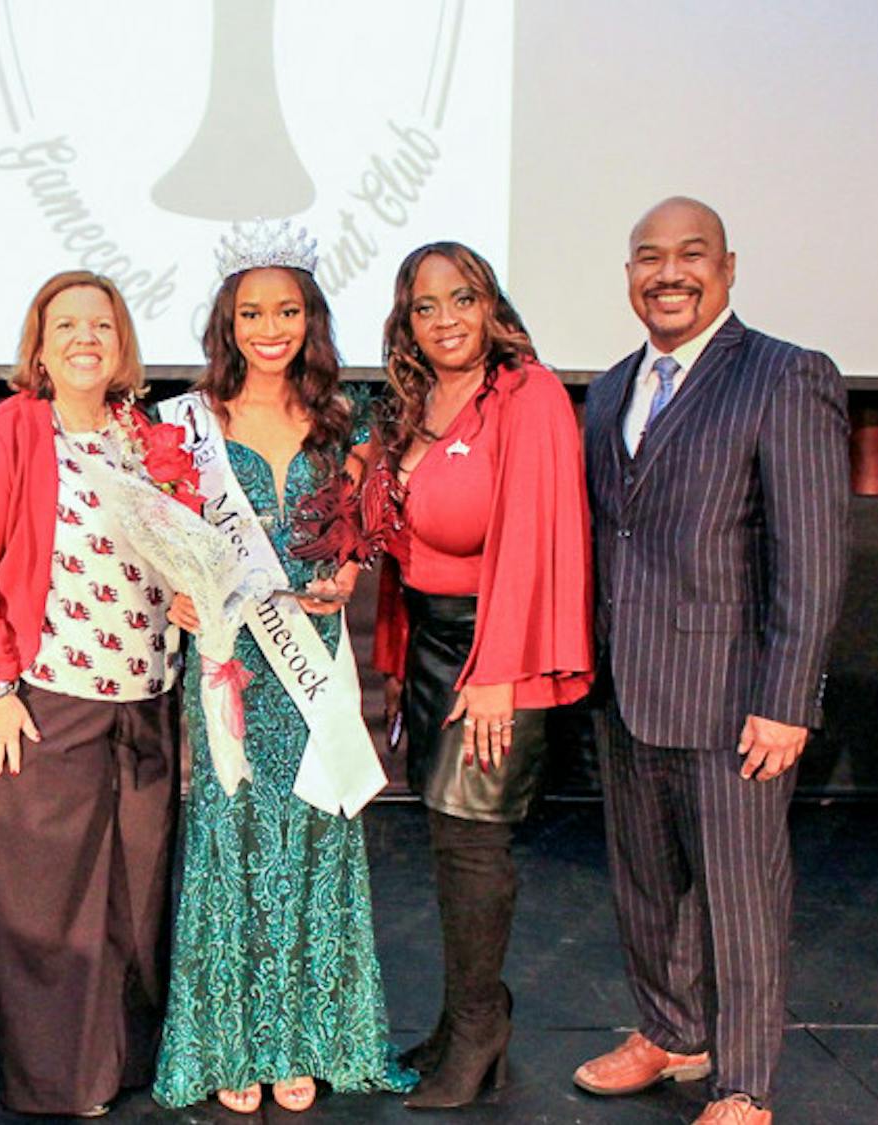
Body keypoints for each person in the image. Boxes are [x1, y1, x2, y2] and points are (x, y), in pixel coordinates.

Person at [575, 198, 849, 1125]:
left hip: (735, 696)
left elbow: (812, 558)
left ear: (728, 266)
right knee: (647, 887)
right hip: (628, 691)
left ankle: (743, 1082)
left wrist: (787, 700)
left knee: (740, 900)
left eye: (690, 255)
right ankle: (670, 1032)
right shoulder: (612, 387)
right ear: (627, 277)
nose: (668, 273)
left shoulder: (784, 374)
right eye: (648, 257)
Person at [152, 221, 411, 1115]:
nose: (271, 327)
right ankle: (231, 1038)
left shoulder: (349, 418)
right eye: (253, 311)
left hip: (312, 657)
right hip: (230, 660)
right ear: (227, 320)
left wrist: (346, 572)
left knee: (311, 828)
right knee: (231, 836)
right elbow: (160, 543)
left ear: (312, 317)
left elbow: (372, 518)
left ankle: (304, 1033)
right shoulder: (184, 424)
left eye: (289, 310)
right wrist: (179, 595)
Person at [0, 271, 179, 1119]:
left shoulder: (146, 439)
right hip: (40, 703)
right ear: (38, 344)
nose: (85, 338)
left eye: (101, 324)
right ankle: (56, 1085)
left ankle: (121, 1065)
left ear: (122, 343)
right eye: (65, 324)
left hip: (145, 702)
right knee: (45, 907)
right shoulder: (4, 435)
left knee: (133, 898)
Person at [369, 242, 594, 1109]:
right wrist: (395, 658)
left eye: (462, 298)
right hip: (430, 645)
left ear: (490, 303)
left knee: (474, 839)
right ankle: (466, 1015)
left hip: (500, 643)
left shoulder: (526, 393)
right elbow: (404, 545)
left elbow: (534, 534)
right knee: (445, 833)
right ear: (408, 322)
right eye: (426, 307)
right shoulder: (417, 397)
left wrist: (498, 667)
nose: (445, 319)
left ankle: (479, 1027)